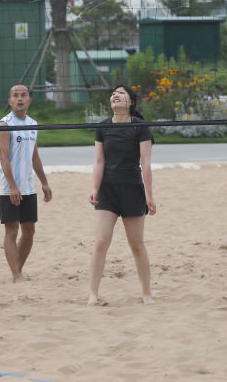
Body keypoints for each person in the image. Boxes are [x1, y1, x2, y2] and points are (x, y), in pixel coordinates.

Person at [88, 85, 156, 306]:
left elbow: (146, 164)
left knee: (136, 244)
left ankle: (146, 293)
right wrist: (94, 189)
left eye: (121, 93)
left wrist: (149, 196)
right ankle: (93, 294)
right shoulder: (103, 127)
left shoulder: (140, 127)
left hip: (132, 188)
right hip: (108, 189)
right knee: (101, 240)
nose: (115, 95)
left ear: (131, 102)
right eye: (113, 94)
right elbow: (99, 162)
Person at [0, 84, 52, 283]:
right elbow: (4, 158)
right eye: (15, 96)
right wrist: (12, 185)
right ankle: (16, 275)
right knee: (12, 229)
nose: (19, 98)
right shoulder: (4, 124)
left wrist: (44, 182)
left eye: (23, 95)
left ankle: (18, 268)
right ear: (10, 101)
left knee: (30, 230)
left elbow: (34, 156)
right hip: (8, 186)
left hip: (28, 185)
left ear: (29, 100)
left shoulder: (32, 123)